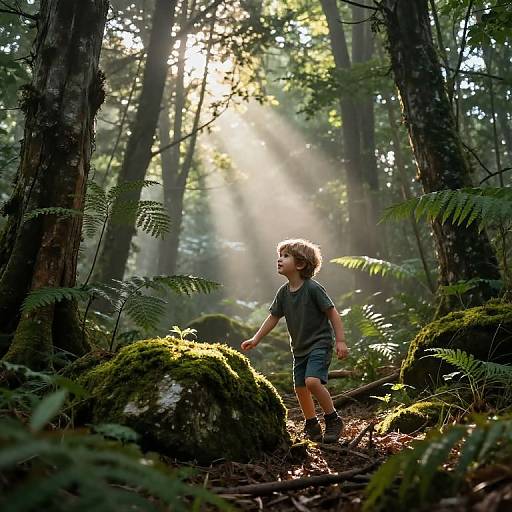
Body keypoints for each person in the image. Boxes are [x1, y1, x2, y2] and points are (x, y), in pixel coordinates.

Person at [241, 239, 349, 443]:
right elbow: (273, 317)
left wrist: (340, 341)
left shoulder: (313, 289)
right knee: (300, 387)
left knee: (312, 382)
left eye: (285, 256)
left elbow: (332, 313)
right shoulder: (283, 293)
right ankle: (311, 423)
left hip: (319, 343)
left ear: (300, 264)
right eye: (279, 256)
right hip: (299, 349)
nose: (279, 260)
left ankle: (333, 419)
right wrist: (256, 339)